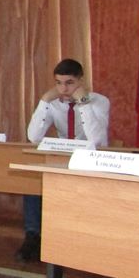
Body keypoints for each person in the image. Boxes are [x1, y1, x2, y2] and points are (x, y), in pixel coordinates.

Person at [17, 58, 110, 262]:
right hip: (62, 159)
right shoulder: (53, 103)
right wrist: (44, 100)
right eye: (58, 83)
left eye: (69, 83)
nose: (63, 89)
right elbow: (34, 137)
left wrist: (83, 103)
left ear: (81, 81)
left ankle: (80, 239)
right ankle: (33, 235)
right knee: (33, 180)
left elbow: (97, 140)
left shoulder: (99, 101)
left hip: (90, 161)